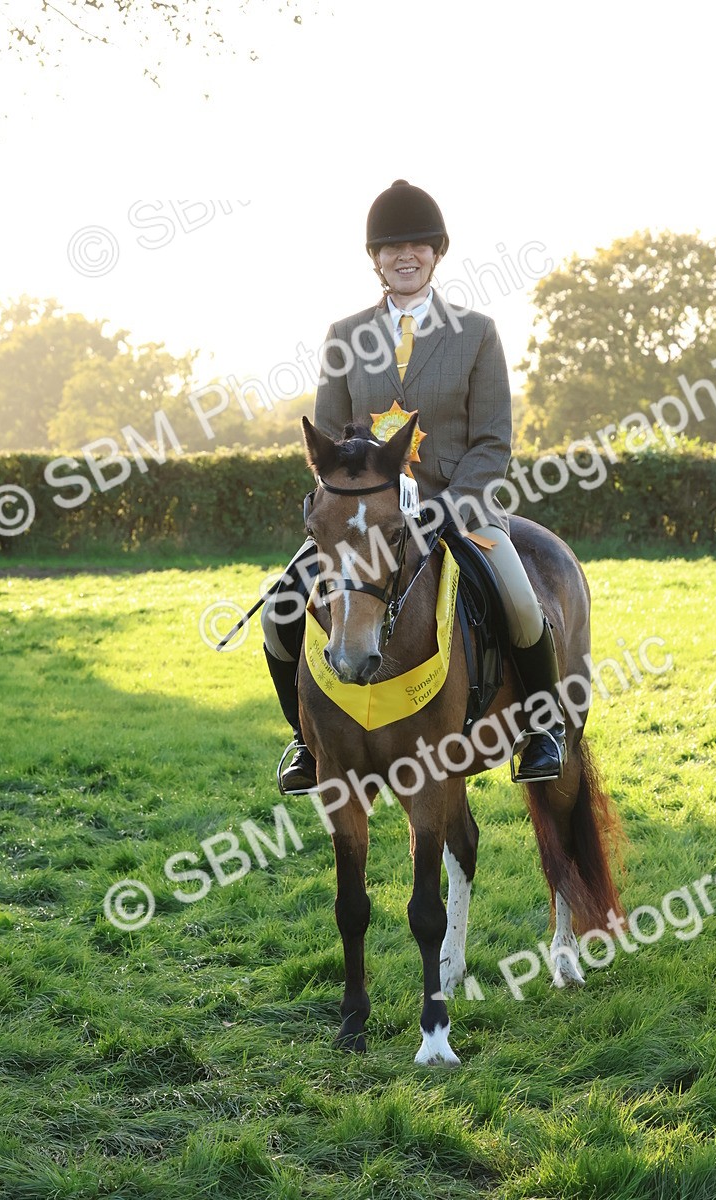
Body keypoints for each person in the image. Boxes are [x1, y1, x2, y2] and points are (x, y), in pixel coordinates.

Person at [262, 180, 566, 793]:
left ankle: (543, 726)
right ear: (374, 258)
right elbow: (326, 438)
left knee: (520, 600)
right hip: (366, 517)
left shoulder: (476, 332)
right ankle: (304, 738)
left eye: (419, 245)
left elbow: (493, 442)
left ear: (437, 253)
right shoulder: (345, 335)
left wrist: (444, 508)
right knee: (278, 609)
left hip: (459, 507)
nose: (406, 255)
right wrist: (340, 496)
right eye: (392, 247)